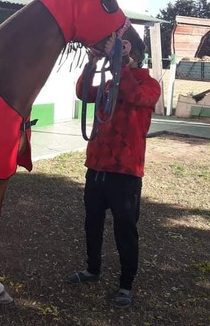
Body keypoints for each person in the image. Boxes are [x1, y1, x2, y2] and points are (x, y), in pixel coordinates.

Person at [68, 43, 161, 308]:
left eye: (123, 57)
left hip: (125, 172)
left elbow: (135, 97)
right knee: (92, 222)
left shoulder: (149, 85)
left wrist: (122, 65)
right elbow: (83, 92)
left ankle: (126, 283)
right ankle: (92, 268)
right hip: (97, 168)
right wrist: (93, 63)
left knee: (125, 229)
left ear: (135, 59)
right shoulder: (110, 84)